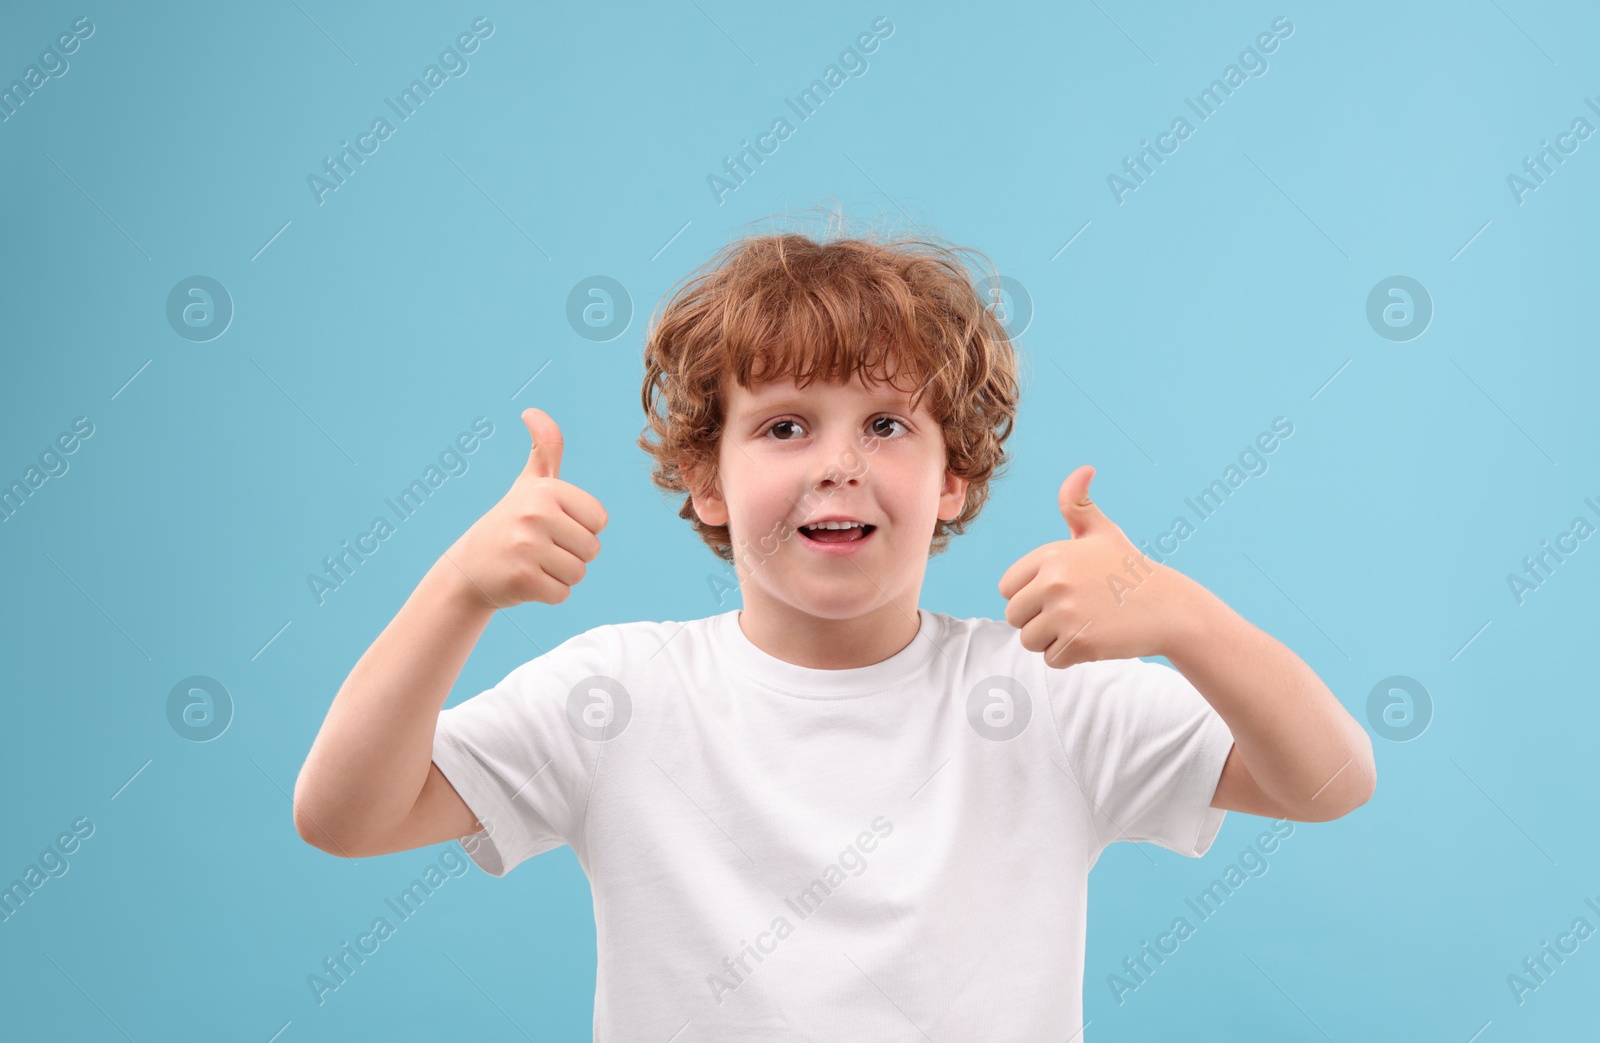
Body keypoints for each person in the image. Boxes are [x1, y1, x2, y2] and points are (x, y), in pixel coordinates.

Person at [293, 226, 1375, 1039]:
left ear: (952, 478)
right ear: (702, 480)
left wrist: (1178, 614)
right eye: (783, 426)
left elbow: (1329, 779)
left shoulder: (1045, 692)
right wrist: (458, 591)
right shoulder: (619, 691)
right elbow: (345, 815)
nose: (837, 463)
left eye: (887, 424)